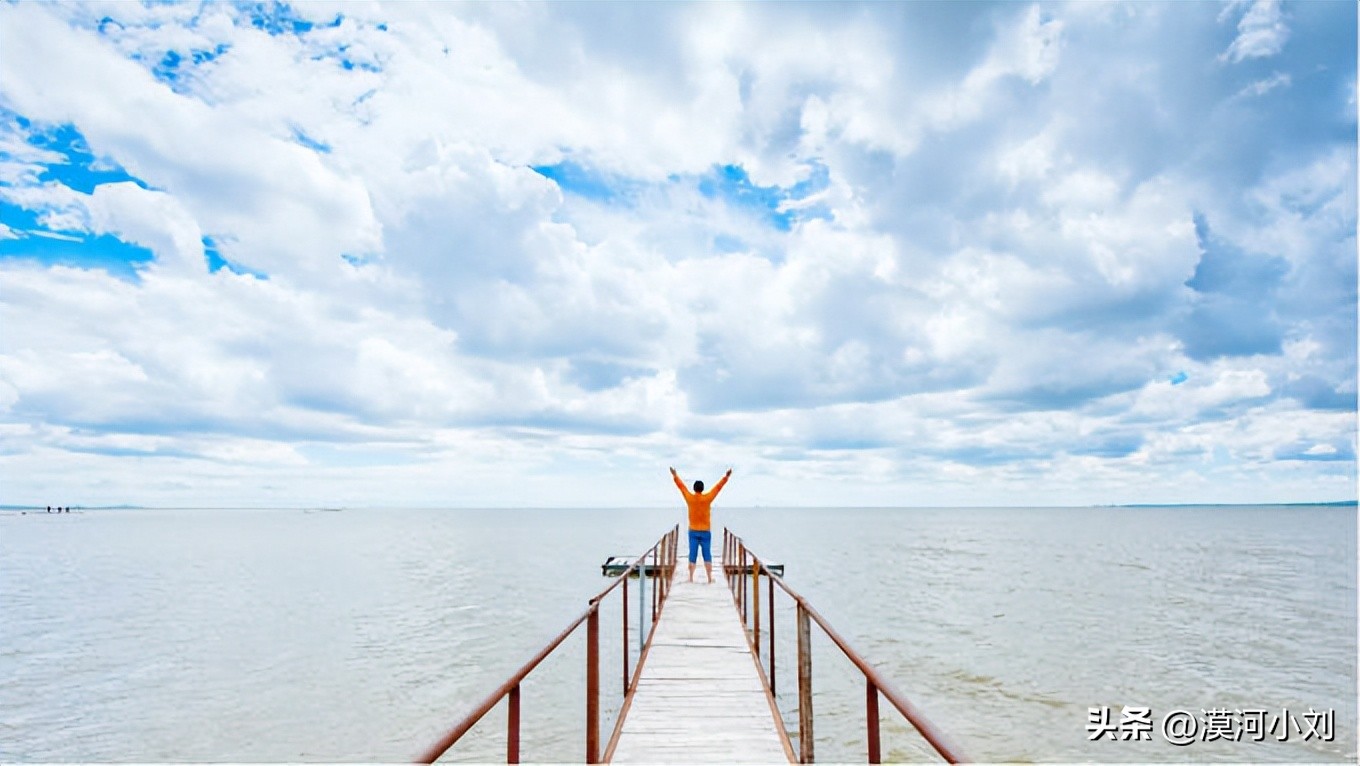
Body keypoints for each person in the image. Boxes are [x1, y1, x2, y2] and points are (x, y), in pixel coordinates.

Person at [670, 466, 731, 584]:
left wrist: (675, 475)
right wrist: (726, 477)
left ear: (694, 489)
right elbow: (717, 488)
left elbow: (681, 487)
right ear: (702, 489)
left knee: (692, 554)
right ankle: (709, 578)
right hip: (705, 532)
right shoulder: (707, 498)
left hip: (693, 531)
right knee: (707, 554)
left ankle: (691, 578)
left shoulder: (690, 499)